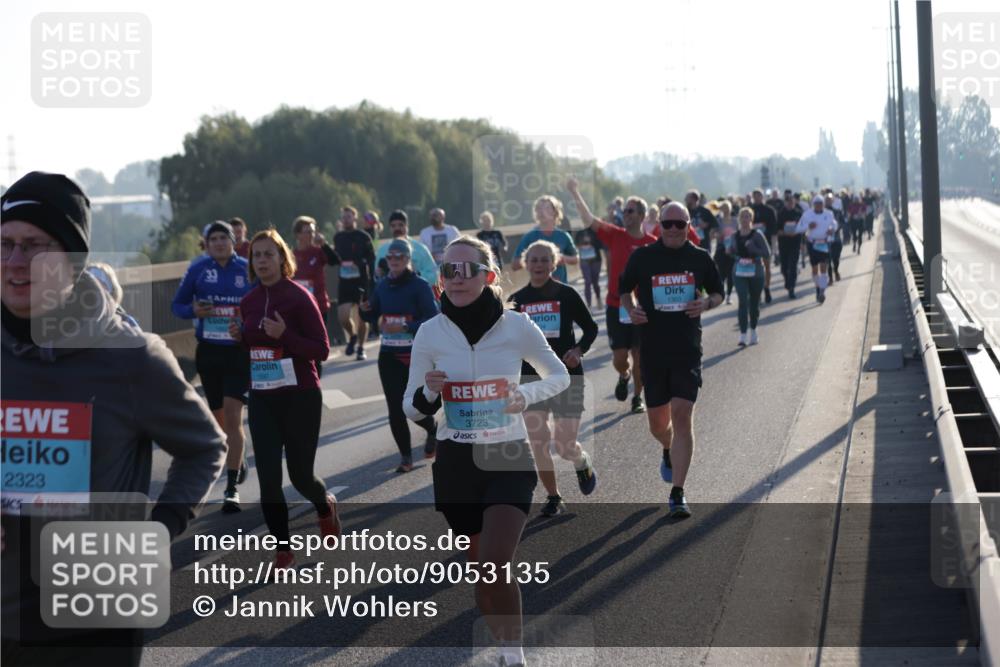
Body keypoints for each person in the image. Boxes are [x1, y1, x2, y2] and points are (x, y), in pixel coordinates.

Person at [1, 172, 225, 665]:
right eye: (5, 244)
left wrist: (160, 529)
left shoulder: (131, 358)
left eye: (34, 246)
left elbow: (205, 448)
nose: (15, 262)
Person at [403, 236, 569, 667]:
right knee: (481, 568)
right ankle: (502, 644)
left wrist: (526, 396)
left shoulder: (517, 326)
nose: (454, 279)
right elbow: (410, 405)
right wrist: (428, 391)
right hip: (456, 461)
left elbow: (560, 375)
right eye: (446, 271)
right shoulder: (429, 332)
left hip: (507, 455)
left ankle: (513, 655)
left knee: (497, 562)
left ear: (489, 276)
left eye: (464, 270)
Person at [230, 229, 339, 570]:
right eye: (256, 255)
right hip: (263, 398)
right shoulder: (247, 302)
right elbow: (256, 345)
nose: (261, 260)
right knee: (268, 477)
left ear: (282, 259)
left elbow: (320, 349)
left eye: (268, 254)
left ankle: (324, 506)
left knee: (301, 476)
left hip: (300, 396)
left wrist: (285, 335)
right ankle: (283, 549)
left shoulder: (298, 297)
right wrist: (242, 337)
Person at [620, 202, 724, 519]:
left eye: (681, 224)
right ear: (659, 225)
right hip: (652, 351)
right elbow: (624, 289)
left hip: (687, 348)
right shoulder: (643, 257)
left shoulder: (700, 258)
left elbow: (719, 293)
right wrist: (631, 308)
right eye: (669, 224)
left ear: (688, 225)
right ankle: (666, 449)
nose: (675, 229)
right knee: (658, 425)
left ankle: (677, 492)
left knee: (682, 415)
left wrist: (706, 302)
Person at [509, 240, 599, 517]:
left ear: (554, 263)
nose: (538, 264)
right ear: (526, 263)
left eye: (544, 260)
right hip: (531, 380)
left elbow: (591, 328)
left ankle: (581, 461)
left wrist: (578, 350)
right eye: (533, 260)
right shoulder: (516, 301)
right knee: (538, 440)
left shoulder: (567, 294)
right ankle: (553, 496)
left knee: (564, 444)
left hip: (567, 376)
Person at [172, 220, 253, 512]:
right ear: (206, 243)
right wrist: (192, 309)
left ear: (233, 241)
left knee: (233, 416)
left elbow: (261, 303)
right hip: (208, 352)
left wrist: (245, 325)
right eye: (213, 239)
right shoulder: (198, 269)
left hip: (237, 353)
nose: (218, 243)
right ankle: (237, 457)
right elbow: (176, 306)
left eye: (224, 238)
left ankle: (230, 490)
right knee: (220, 421)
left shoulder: (246, 267)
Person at [567, 177, 655, 414]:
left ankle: (637, 397)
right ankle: (623, 375)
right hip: (616, 306)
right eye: (624, 210)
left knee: (640, 356)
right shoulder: (615, 235)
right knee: (620, 358)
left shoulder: (652, 244)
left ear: (642, 215)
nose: (625, 214)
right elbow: (589, 220)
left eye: (630, 211)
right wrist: (575, 193)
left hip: (642, 309)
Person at [361, 239, 439, 472]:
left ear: (408, 260)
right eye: (390, 258)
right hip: (389, 355)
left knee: (414, 405)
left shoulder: (420, 286)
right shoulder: (383, 285)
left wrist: (406, 326)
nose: (394, 261)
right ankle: (406, 458)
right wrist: (364, 310)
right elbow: (372, 315)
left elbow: (432, 320)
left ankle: (432, 427)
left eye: (399, 257)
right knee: (395, 408)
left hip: (415, 354)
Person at [292, 215, 342, 370]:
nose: (311, 235)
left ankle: (316, 380)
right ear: (298, 234)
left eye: (312, 231)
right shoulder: (290, 254)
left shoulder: (318, 252)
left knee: (316, 345)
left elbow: (335, 261)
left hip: (319, 306)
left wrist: (325, 244)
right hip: (296, 308)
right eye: (307, 231)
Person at [331, 207, 375, 361]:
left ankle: (361, 348)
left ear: (355, 219)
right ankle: (353, 336)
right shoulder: (338, 237)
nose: (346, 219)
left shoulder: (363, 236)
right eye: (343, 217)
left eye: (349, 217)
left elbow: (371, 257)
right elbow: (336, 258)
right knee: (343, 317)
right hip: (344, 281)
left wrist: (359, 263)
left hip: (361, 281)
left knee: (362, 317)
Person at [510, 195, 579, 283]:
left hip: (561, 289)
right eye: (538, 208)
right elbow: (514, 265)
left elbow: (576, 259)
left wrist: (563, 258)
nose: (541, 211)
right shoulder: (529, 237)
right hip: (538, 290)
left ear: (555, 212)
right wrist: (533, 260)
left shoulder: (563, 236)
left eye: (546, 208)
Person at [728, 207, 771, 346]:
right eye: (742, 216)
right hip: (739, 271)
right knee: (743, 301)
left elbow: (767, 253)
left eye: (747, 216)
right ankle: (742, 334)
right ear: (739, 219)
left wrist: (754, 249)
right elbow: (731, 251)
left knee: (754, 302)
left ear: (751, 219)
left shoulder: (757, 234)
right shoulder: (734, 236)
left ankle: (753, 329)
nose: (745, 219)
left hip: (756, 271)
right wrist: (730, 251)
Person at [375, 210, 439, 286]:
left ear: (407, 226)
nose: (397, 228)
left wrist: (416, 274)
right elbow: (376, 277)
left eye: (401, 225)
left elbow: (434, 275)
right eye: (393, 226)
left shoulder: (420, 249)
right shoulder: (382, 250)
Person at [796, 196, 838, 304]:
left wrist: (831, 229)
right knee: (815, 269)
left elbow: (834, 224)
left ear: (823, 204)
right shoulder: (807, 215)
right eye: (816, 203)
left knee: (823, 267)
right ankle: (818, 288)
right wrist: (808, 226)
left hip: (824, 243)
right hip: (812, 244)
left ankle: (822, 292)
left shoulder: (829, 214)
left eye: (820, 203)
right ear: (813, 204)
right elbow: (798, 228)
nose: (819, 205)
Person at [84, 261, 140, 328]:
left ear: (112, 291)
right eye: (91, 284)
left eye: (101, 284)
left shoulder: (126, 322)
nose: (95, 289)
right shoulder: (75, 318)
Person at [749, 189, 778, 303]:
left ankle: (766, 288)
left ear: (762, 197)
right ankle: (756, 291)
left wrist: (774, 246)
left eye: (759, 196)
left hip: (765, 243)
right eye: (755, 196)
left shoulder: (769, 210)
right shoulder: (749, 210)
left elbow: (774, 228)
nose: (757, 198)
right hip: (751, 244)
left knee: (766, 267)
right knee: (754, 269)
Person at [776, 192, 804, 298]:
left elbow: (803, 228)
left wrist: (797, 233)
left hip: (795, 242)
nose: (790, 204)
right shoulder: (780, 213)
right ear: (785, 202)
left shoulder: (798, 213)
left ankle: (792, 288)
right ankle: (787, 280)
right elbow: (776, 229)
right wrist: (783, 232)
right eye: (788, 202)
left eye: (792, 202)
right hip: (783, 243)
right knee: (784, 267)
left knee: (793, 266)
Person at [574, 224, 606, 309]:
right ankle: (589, 306)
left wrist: (592, 243)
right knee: (587, 281)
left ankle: (598, 299)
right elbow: (575, 244)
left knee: (595, 282)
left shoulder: (594, 230)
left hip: (596, 259)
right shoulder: (579, 232)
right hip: (584, 259)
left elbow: (601, 244)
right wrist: (581, 245)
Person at [713, 200, 738, 305]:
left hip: (732, 250)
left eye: (727, 208)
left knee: (731, 273)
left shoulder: (735, 220)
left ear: (730, 209)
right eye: (724, 208)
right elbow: (713, 234)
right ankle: (721, 294)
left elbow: (738, 233)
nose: (726, 210)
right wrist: (719, 235)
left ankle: (728, 295)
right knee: (721, 273)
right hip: (721, 249)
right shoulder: (718, 221)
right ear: (721, 209)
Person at [824, 193, 844, 283]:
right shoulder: (822, 213)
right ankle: (830, 277)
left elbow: (842, 222)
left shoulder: (837, 212)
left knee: (836, 258)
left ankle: (836, 271)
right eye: (827, 200)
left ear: (832, 201)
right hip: (826, 239)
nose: (828, 201)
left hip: (836, 237)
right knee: (828, 258)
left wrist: (836, 228)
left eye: (830, 200)